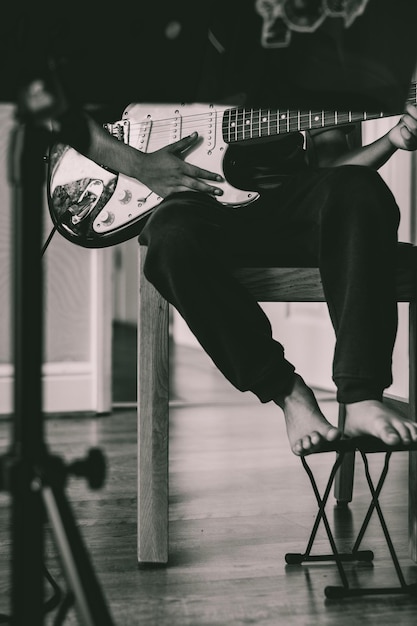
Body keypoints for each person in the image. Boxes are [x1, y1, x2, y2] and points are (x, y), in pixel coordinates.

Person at [54, 6, 417, 457]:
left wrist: (391, 141)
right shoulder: (149, 31)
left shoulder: (306, 39)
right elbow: (63, 114)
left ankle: (362, 396)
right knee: (170, 241)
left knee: (361, 188)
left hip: (288, 201)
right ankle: (287, 392)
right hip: (198, 205)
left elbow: (331, 168)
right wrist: (143, 168)